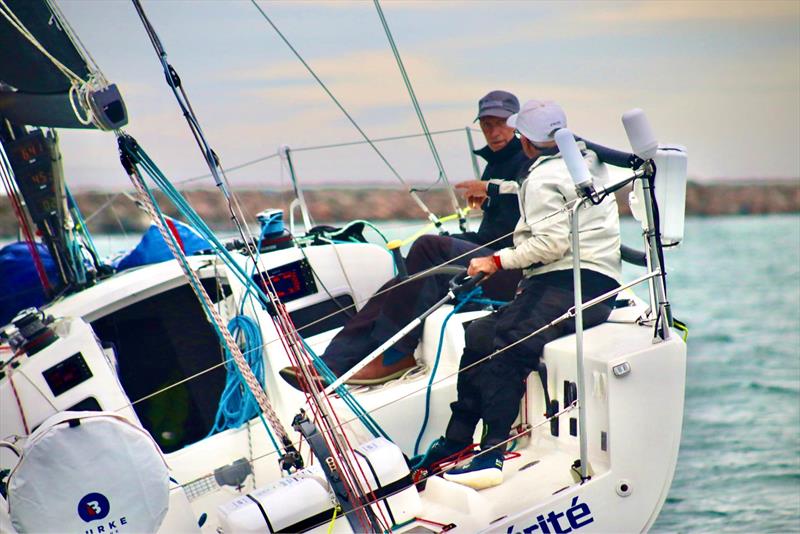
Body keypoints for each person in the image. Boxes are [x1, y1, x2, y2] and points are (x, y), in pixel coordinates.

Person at [418, 100, 622, 490]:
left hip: (569, 281)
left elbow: (548, 244)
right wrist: (493, 191)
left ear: (526, 141)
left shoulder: (544, 179)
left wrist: (494, 261)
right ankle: (456, 441)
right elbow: (545, 212)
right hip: (593, 280)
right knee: (478, 334)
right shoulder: (587, 163)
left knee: (510, 339)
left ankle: (491, 451)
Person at [280, 90, 531, 389]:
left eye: (500, 122)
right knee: (402, 282)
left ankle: (397, 353)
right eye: (487, 124)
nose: (494, 131)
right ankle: (331, 364)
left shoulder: (528, 159)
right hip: (490, 258)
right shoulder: (496, 163)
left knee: (427, 247)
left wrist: (490, 189)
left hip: (515, 271)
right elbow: (492, 233)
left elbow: (528, 191)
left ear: (517, 124)